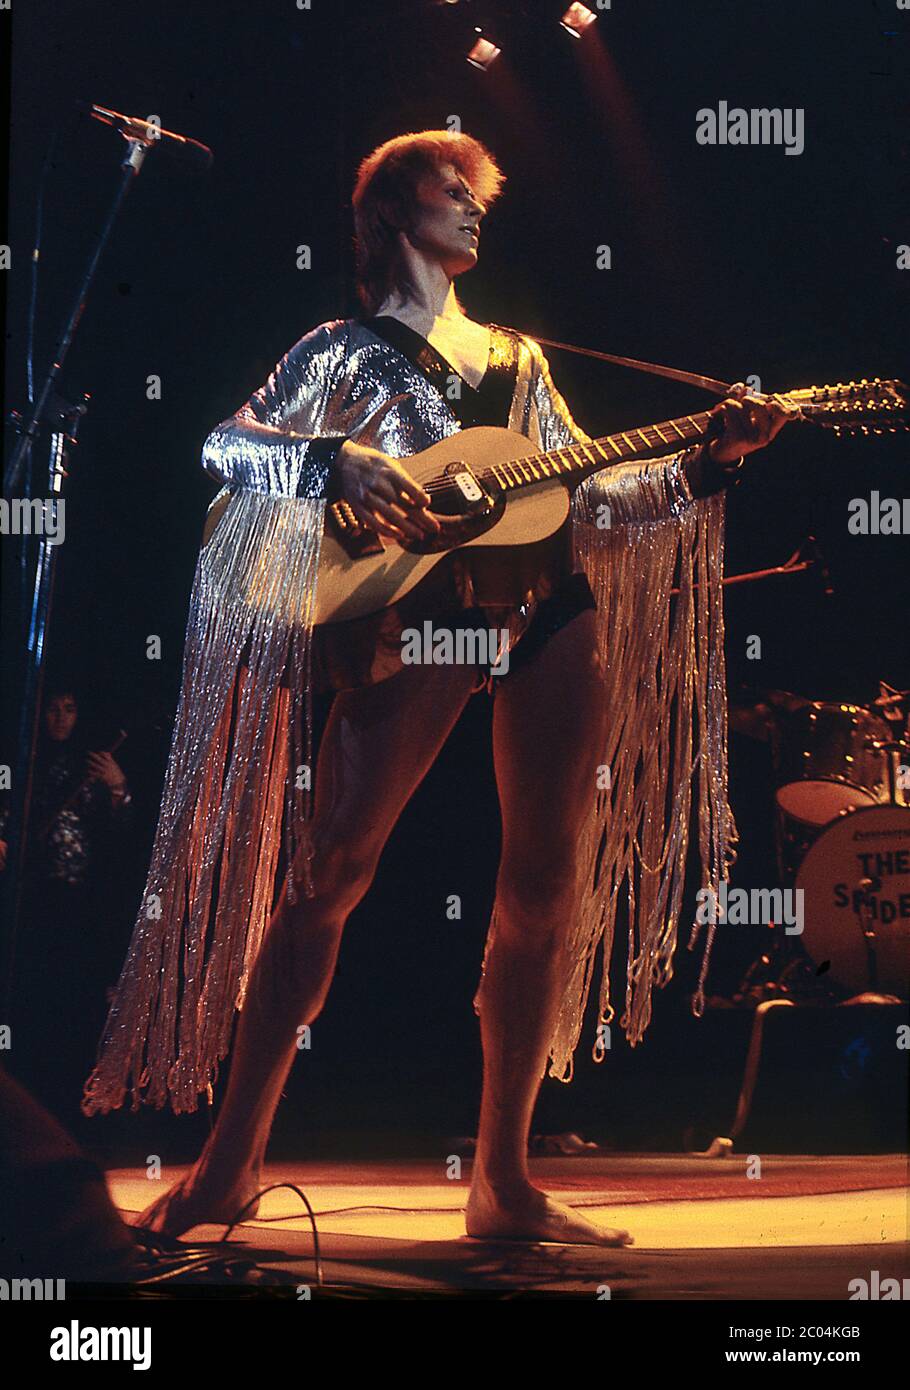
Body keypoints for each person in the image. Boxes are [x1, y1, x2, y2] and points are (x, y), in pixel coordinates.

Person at [82, 131, 792, 1244]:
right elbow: (225, 447)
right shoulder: (340, 348)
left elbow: (592, 499)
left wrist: (710, 460)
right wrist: (334, 465)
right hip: (419, 609)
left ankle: (501, 1180)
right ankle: (229, 1162)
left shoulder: (517, 358)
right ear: (385, 209)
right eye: (451, 187)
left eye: (479, 194)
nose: (473, 206)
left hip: (546, 600)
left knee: (545, 881)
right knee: (330, 870)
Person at [2, 684, 132, 1129]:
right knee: (28, 1000)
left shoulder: (92, 765)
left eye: (69, 709)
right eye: (52, 709)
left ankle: (74, 1110)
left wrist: (118, 788)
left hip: (78, 904)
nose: (60, 717)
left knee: (74, 1002)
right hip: (29, 901)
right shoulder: (21, 761)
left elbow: (119, 837)